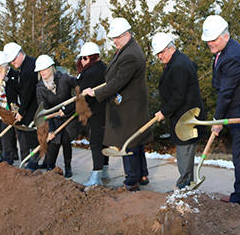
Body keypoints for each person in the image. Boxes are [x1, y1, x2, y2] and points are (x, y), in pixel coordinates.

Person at [83, 18, 152, 191]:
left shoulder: (130, 54)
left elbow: (118, 81)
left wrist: (96, 93)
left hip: (129, 105)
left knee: (128, 142)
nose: (114, 41)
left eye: (117, 37)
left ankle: (131, 181)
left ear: (127, 34)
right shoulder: (126, 49)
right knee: (137, 140)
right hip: (130, 102)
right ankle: (142, 174)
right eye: (113, 37)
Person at [201, 15, 240, 205]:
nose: (210, 43)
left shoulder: (232, 57)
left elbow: (225, 93)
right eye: (208, 39)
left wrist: (218, 121)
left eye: (214, 39)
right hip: (236, 107)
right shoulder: (225, 50)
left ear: (226, 36)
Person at [152, 33, 207, 189]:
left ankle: (184, 186)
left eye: (162, 52)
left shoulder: (178, 65)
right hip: (182, 114)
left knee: (185, 151)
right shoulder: (178, 60)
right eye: (158, 53)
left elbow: (179, 96)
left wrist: (164, 111)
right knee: (184, 151)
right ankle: (186, 184)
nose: (159, 56)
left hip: (186, 117)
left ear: (171, 48)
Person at [35, 55, 78, 178]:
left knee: (66, 139)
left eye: (45, 69)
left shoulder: (63, 78)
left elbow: (80, 89)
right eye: (40, 70)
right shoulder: (40, 88)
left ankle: (68, 167)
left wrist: (68, 108)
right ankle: (50, 166)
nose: (42, 72)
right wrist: (51, 129)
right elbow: (45, 111)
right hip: (53, 118)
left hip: (68, 115)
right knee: (54, 139)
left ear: (51, 68)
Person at [75, 42, 109, 186]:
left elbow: (82, 96)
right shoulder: (105, 68)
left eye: (84, 58)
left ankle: (96, 177)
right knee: (104, 145)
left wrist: (69, 110)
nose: (81, 61)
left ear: (91, 58)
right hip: (106, 112)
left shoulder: (90, 73)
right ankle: (105, 172)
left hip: (95, 113)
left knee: (95, 144)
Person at [3, 42, 39, 170]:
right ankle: (33, 160)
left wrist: (21, 111)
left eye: (13, 60)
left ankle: (34, 162)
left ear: (20, 54)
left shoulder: (28, 70)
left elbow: (27, 93)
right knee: (30, 132)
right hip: (31, 104)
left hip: (34, 105)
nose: (12, 63)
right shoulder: (28, 63)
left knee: (31, 133)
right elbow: (21, 88)